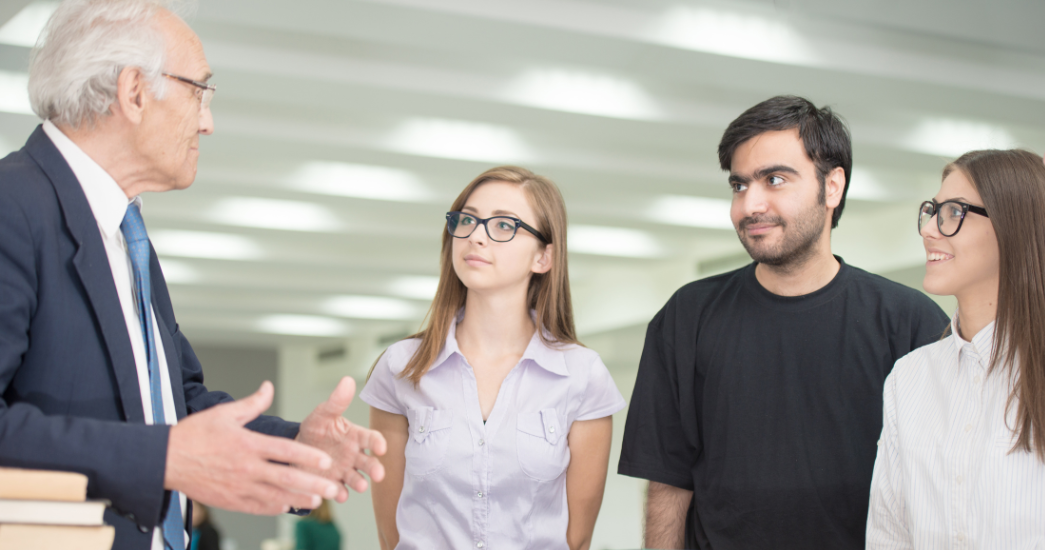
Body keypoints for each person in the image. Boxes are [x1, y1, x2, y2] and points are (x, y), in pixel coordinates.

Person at [0, 2, 386, 549]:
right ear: (134, 91)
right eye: (199, 91)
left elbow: (174, 401)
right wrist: (163, 459)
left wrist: (299, 447)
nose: (208, 120)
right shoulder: (12, 205)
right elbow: (167, 443)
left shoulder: (124, 231)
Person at [617, 95, 950, 550]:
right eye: (739, 185)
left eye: (775, 179)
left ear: (832, 187)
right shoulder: (687, 316)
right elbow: (668, 481)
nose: (750, 204)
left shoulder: (909, 322)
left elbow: (938, 486)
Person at [361, 166, 626, 550]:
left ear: (544, 257)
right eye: (467, 220)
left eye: (504, 226)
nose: (477, 237)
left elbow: (577, 539)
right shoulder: (400, 366)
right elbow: (390, 534)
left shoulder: (582, 375)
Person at [866, 149, 1045, 548]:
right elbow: (889, 535)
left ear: (1013, 225)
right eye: (932, 211)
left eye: (954, 212)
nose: (930, 229)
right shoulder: (909, 378)